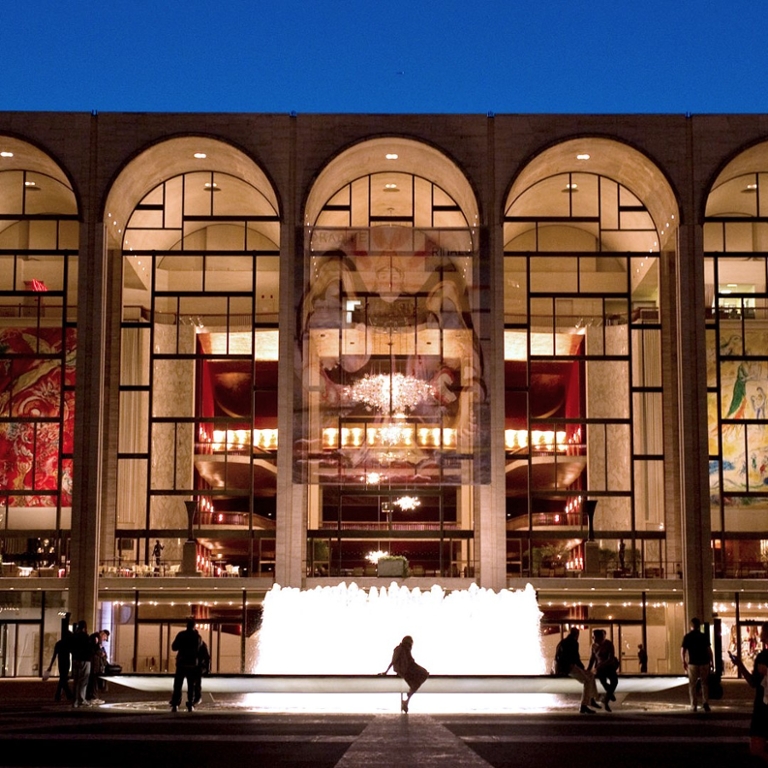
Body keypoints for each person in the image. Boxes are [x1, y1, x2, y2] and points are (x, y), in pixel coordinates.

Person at [731, 621, 768, 763]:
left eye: (763, 631)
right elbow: (754, 682)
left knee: (756, 747)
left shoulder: (763, 657)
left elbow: (753, 682)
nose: (761, 635)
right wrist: (740, 665)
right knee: (756, 747)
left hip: (762, 707)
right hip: (761, 705)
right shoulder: (762, 656)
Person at [553, 626, 600, 713]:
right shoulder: (574, 643)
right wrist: (582, 667)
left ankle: (591, 699)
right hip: (568, 668)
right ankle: (584, 705)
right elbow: (576, 658)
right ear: (577, 635)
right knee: (587, 680)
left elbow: (557, 657)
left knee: (590, 675)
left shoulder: (562, 642)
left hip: (561, 668)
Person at [380, 635, 429, 713]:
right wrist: (386, 672)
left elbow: (408, 661)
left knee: (421, 678)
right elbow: (393, 661)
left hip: (408, 669)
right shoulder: (399, 649)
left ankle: (406, 702)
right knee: (421, 677)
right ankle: (406, 701)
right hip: (405, 670)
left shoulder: (406, 650)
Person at [681, 617, 713, 712]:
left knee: (692, 684)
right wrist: (712, 662)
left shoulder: (687, 637)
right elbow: (709, 650)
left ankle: (693, 705)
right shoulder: (703, 636)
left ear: (691, 626)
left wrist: (684, 661)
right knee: (704, 683)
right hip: (704, 662)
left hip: (693, 663)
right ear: (699, 626)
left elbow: (683, 650)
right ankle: (705, 703)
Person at [170, 619, 203, 712]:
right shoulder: (197, 637)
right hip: (192, 664)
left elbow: (174, 647)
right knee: (191, 685)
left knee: (178, 685)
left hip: (181, 663)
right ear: (194, 626)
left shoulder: (181, 635)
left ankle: (175, 704)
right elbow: (199, 650)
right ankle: (190, 703)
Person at [588, 629, 619, 711]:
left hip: (609, 667)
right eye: (592, 637)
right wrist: (588, 669)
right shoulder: (594, 646)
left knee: (614, 681)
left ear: (600, 637)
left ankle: (606, 700)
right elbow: (592, 658)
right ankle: (608, 696)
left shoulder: (608, 644)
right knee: (603, 681)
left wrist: (600, 665)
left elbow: (611, 658)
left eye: (594, 637)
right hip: (600, 669)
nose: (593, 638)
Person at [46, 629, 74, 702]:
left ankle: (62, 695)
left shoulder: (59, 643)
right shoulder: (68, 644)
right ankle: (65, 695)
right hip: (66, 662)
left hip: (61, 663)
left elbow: (54, 655)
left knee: (63, 679)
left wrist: (50, 665)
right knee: (63, 679)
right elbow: (72, 652)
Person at [70, 620, 91, 708]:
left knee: (76, 681)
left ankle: (75, 701)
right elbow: (89, 648)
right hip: (84, 660)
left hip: (75, 659)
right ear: (84, 627)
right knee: (84, 681)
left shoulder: (74, 636)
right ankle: (82, 699)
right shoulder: (86, 636)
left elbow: (70, 647)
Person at [86, 629, 109, 704]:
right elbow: (96, 650)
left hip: (95, 663)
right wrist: (101, 654)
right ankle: (93, 697)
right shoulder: (96, 637)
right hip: (94, 663)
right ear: (103, 634)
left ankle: (92, 697)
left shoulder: (96, 638)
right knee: (94, 681)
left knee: (94, 681)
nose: (104, 640)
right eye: (105, 638)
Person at [191, 639, 210, 706]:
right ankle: (196, 698)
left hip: (189, 665)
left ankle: (193, 699)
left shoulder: (187, 642)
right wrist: (207, 669)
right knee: (196, 683)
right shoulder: (201, 643)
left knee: (192, 683)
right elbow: (207, 657)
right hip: (198, 666)